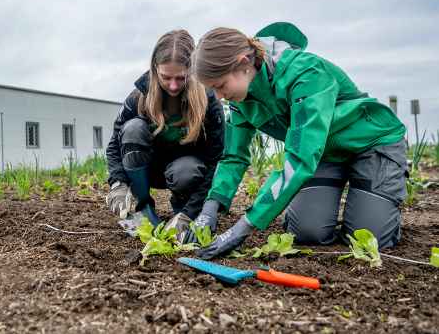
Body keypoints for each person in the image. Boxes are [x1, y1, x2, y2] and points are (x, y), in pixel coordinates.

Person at [186, 22, 407, 259]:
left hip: (371, 144)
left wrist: (244, 226)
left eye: (220, 86)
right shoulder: (241, 100)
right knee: (306, 232)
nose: (219, 97)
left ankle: (378, 198)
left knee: (369, 239)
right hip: (325, 155)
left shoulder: (305, 73)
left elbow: (300, 156)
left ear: (243, 63)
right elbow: (233, 156)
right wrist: (211, 207)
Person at [106, 29, 225, 235]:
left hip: (186, 173)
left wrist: (192, 211)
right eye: (165, 77)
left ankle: (182, 210)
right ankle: (143, 208)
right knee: (133, 128)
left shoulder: (208, 102)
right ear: (154, 69)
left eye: (181, 78)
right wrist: (117, 182)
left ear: (193, 71)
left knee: (186, 170)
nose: (173, 85)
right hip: (148, 170)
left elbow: (217, 159)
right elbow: (115, 144)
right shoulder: (138, 97)